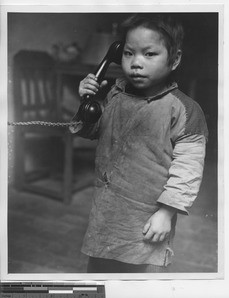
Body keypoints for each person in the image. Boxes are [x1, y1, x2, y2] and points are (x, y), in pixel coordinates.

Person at [69, 13, 208, 273]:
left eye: (149, 54)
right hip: (107, 212)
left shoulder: (185, 110)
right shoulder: (115, 94)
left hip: (147, 218)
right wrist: (87, 105)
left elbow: (188, 169)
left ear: (174, 59)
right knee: (99, 276)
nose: (136, 63)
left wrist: (166, 213)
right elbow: (94, 131)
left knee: (138, 281)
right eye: (129, 53)